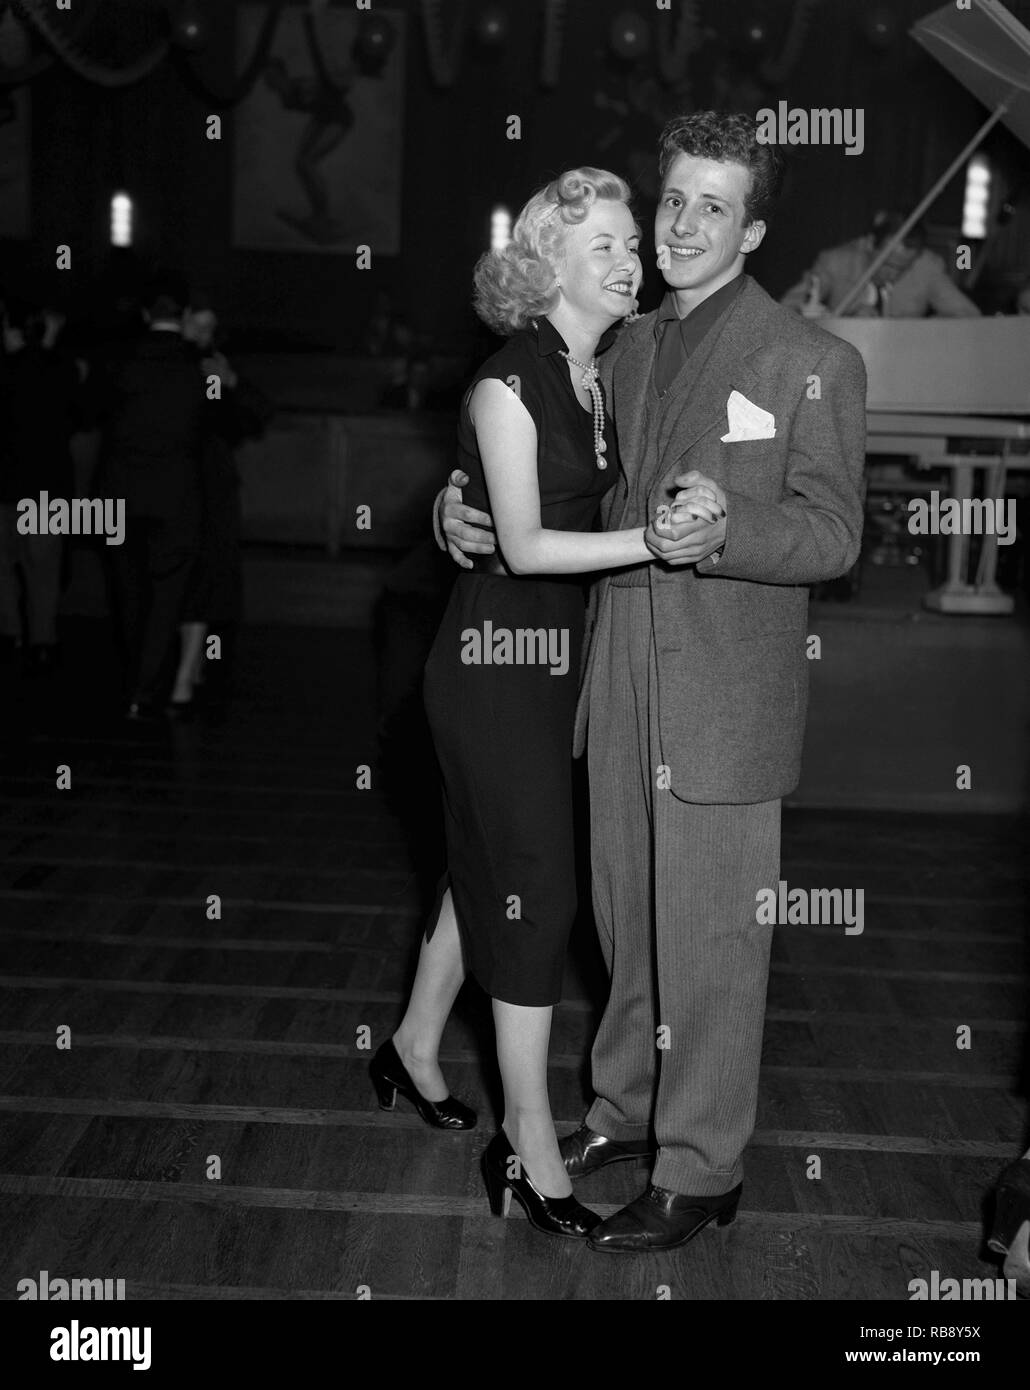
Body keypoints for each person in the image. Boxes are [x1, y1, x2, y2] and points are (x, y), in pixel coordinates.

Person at [440, 111, 867, 1252]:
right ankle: (624, 1112)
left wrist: (732, 525)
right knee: (626, 924)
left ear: (754, 229)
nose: (679, 225)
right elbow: (540, 458)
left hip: (725, 685)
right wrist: (457, 509)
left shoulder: (811, 361)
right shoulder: (621, 344)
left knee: (715, 939)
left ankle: (702, 1167)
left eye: (710, 207)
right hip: (611, 666)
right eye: (670, 199)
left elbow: (832, 535)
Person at [370, 167, 662, 1239]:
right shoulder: (506, 385)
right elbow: (529, 547)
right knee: (535, 887)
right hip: (495, 668)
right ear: (544, 268)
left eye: (632, 243)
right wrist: (659, 541)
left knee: (481, 866)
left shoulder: (613, 369)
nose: (630, 260)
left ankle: (409, 1045)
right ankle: (527, 1144)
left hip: (563, 669)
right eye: (604, 247)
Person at [99, 271, 207, 720]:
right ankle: (144, 690)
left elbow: (91, 409)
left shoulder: (118, 360)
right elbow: (219, 423)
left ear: (146, 314)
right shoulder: (197, 365)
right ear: (181, 317)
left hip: (118, 496)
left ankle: (134, 682)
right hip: (174, 497)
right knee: (166, 596)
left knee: (127, 593)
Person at [170, 301, 271, 711]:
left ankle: (194, 673)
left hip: (212, 493)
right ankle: (185, 671)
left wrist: (229, 381)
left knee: (210, 584)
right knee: (183, 583)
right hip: (176, 490)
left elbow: (256, 416)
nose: (201, 334)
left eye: (208, 327)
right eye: (195, 325)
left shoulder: (216, 366)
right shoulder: (171, 367)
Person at [781, 209, 980, 318]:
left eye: (903, 267)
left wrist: (922, 332)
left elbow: (968, 316)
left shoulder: (926, 267)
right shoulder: (836, 262)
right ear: (868, 245)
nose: (892, 275)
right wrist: (810, 317)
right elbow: (786, 309)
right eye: (887, 264)